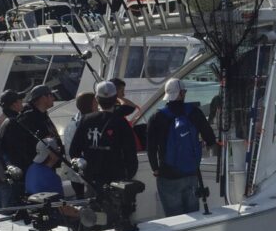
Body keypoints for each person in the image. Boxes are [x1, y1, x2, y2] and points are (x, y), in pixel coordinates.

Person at [146, 77, 215, 216]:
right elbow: (210, 138)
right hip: (191, 172)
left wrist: (155, 168)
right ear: (182, 93)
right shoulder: (194, 112)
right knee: (193, 214)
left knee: (174, 218)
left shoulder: (156, 117)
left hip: (168, 174)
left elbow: (151, 147)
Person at [69, 80, 138, 188]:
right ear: (115, 98)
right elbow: (130, 153)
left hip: (92, 180)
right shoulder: (121, 122)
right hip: (117, 181)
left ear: (97, 99)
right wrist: (128, 175)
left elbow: (73, 151)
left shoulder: (86, 120)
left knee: (94, 204)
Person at [3, 84, 63, 176]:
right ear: (43, 98)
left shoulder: (43, 115)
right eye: (51, 95)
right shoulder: (28, 118)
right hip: (40, 169)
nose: (53, 98)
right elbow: (25, 147)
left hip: (49, 167)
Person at [0, 89, 26, 208]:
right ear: (14, 104)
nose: (22, 104)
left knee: (0, 204)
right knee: (9, 208)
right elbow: (14, 148)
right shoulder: (12, 122)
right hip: (9, 172)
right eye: (20, 101)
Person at [62, 91, 96, 198]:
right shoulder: (88, 124)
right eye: (96, 102)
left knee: (80, 200)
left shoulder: (71, 123)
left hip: (73, 173)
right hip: (86, 174)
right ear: (92, 104)